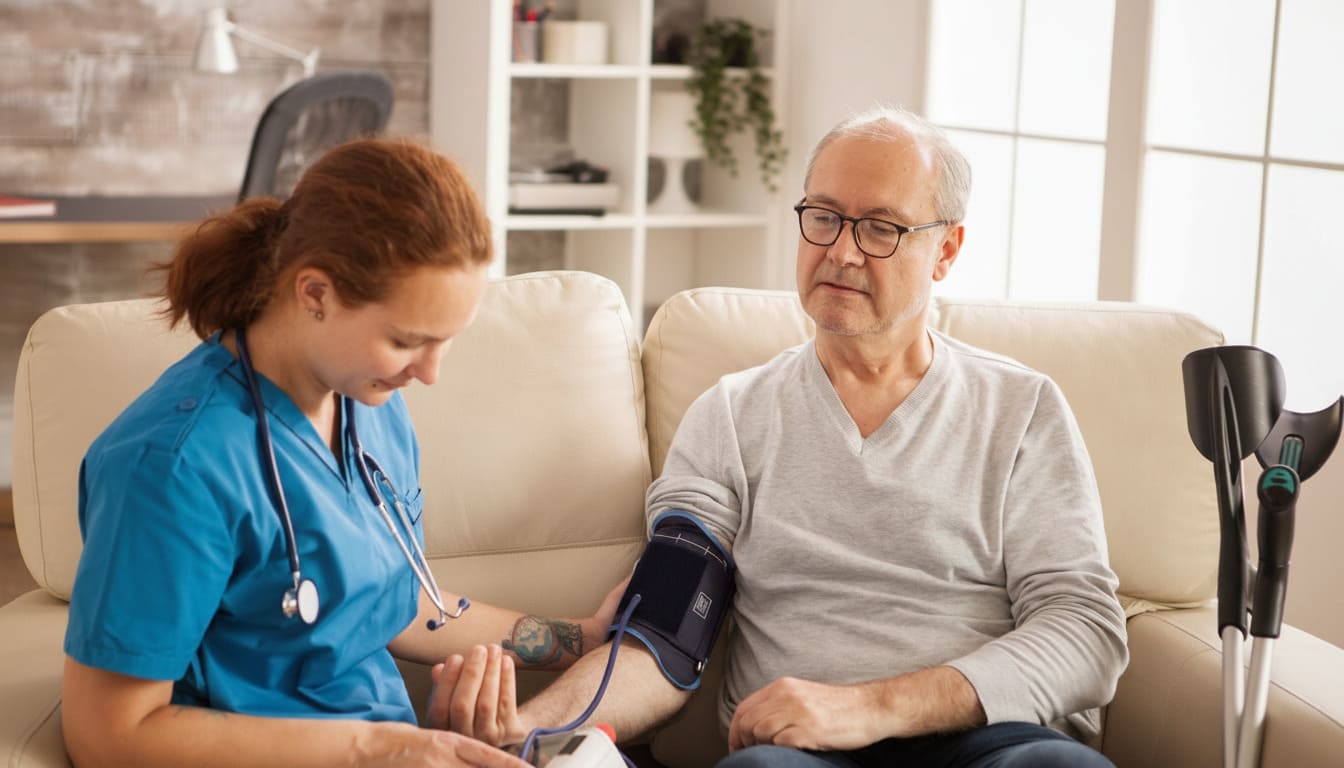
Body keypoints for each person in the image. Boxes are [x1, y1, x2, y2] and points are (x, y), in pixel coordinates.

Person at [434, 107, 1130, 768]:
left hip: (991, 744)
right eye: (823, 217)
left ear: (946, 249)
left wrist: (874, 707)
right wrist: (530, 733)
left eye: (880, 228)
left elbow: (1086, 634)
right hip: (795, 754)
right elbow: (665, 636)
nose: (842, 252)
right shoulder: (733, 416)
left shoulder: (1021, 408)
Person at [60, 138, 625, 768]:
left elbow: (394, 602)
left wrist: (584, 638)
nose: (431, 373)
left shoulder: (366, 403)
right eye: (407, 340)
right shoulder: (172, 467)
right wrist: (381, 748)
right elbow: (107, 733)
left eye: (445, 342)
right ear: (314, 294)